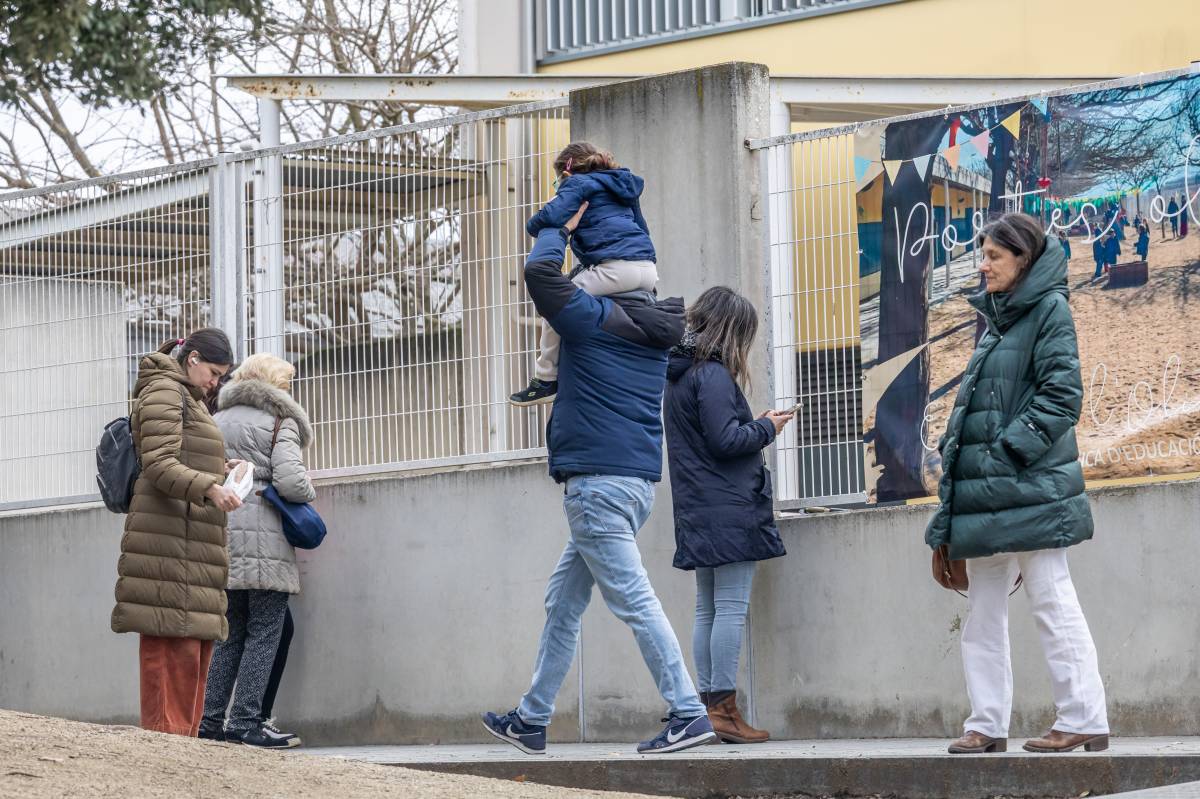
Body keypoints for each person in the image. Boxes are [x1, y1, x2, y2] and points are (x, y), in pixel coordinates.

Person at [481, 202, 716, 756]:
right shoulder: (656, 329)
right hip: (633, 487)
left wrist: (555, 228)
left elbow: (541, 275)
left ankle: (688, 711)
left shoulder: (592, 318)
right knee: (562, 602)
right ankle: (532, 719)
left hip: (596, 488)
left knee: (635, 601)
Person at [927, 213, 1108, 756]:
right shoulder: (1002, 319)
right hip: (988, 496)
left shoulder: (1049, 309)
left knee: (1052, 600)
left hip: (1025, 488)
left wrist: (1008, 453)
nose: (981, 266)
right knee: (982, 612)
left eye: (993, 257)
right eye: (981, 255)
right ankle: (985, 725)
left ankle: (1083, 717)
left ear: (1022, 260)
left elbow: (1061, 396)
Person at [664, 287, 793, 744]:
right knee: (731, 608)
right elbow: (725, 442)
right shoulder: (712, 375)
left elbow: (709, 439)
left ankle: (707, 707)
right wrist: (766, 428)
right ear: (732, 330)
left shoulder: (678, 376)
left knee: (708, 608)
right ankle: (723, 712)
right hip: (729, 508)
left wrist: (750, 425)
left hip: (699, 507)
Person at [111, 329, 241, 737]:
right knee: (171, 652)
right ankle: (165, 750)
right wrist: (210, 487)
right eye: (214, 373)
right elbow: (160, 464)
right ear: (194, 358)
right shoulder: (165, 391)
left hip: (189, 541)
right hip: (166, 542)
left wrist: (222, 469)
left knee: (191, 653)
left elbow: (181, 455)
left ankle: (179, 749)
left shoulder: (188, 397)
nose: (215, 383)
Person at [200, 353, 316, 748]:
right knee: (266, 631)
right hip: (265, 540)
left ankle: (210, 722)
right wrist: (310, 489)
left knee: (228, 634)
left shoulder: (215, 420)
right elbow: (292, 483)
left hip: (223, 535)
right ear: (274, 386)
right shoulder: (280, 422)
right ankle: (245, 722)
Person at [509, 142, 658, 407]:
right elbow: (642, 228)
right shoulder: (623, 186)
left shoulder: (577, 184)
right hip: (647, 270)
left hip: (614, 268)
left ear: (567, 173)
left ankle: (545, 379)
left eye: (557, 183)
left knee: (556, 304)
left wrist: (553, 203)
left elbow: (544, 220)